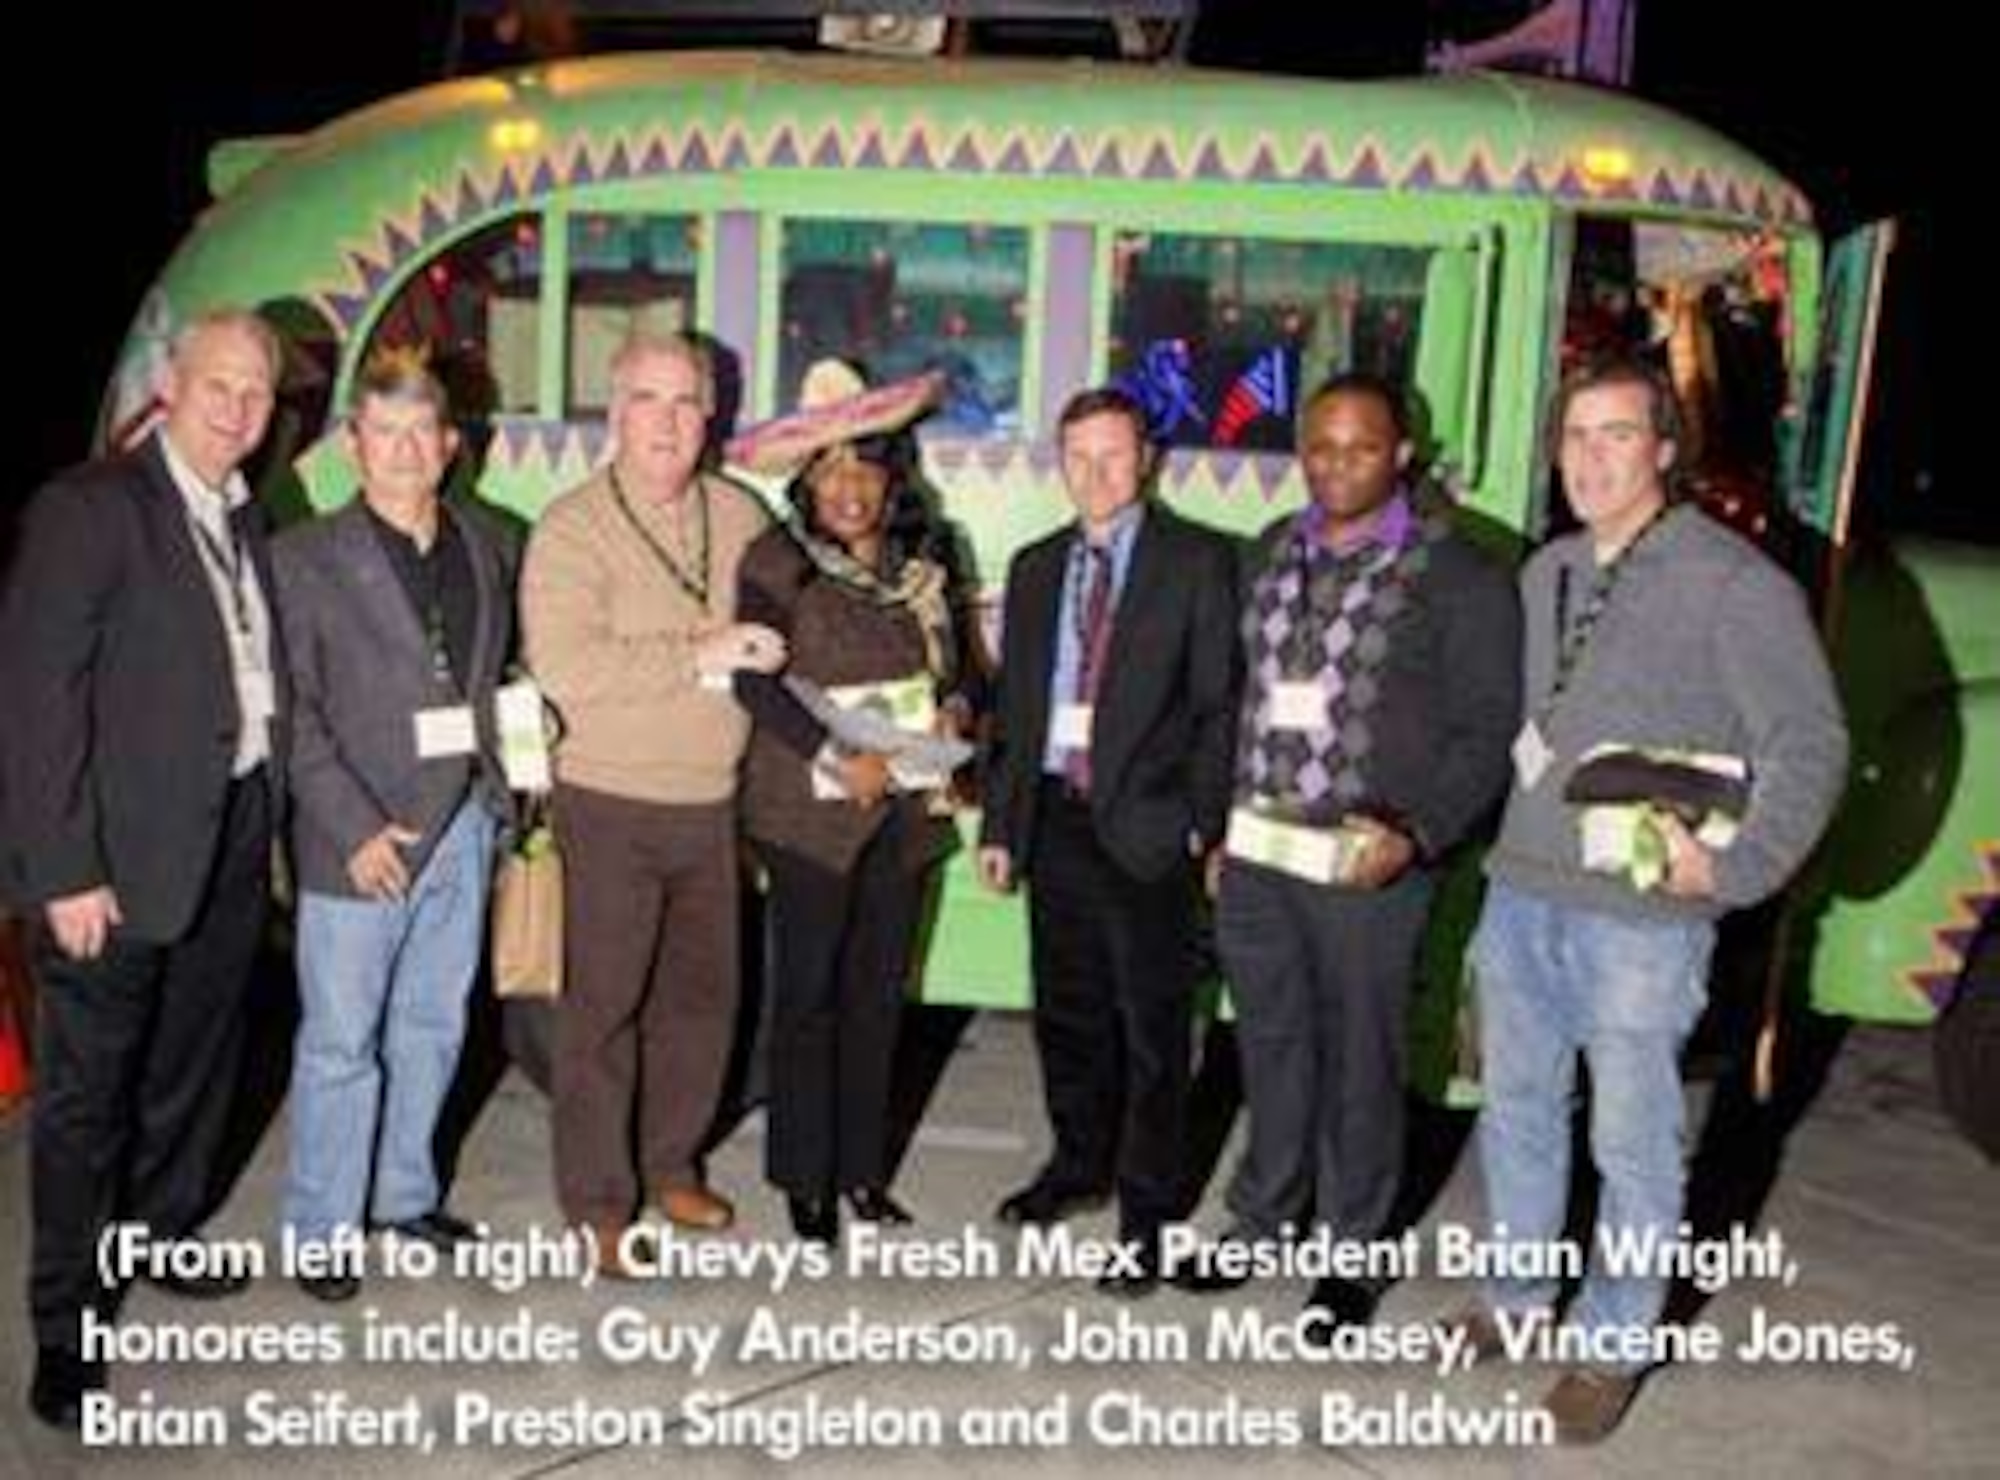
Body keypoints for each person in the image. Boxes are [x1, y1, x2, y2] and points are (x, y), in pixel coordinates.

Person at [1452, 354, 1848, 1442]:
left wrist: (1733, 868)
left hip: (1638, 920)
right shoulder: (1548, 571)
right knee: (1518, 1113)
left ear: (1663, 448)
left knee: (1631, 1143)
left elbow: (1808, 742)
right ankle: (1517, 1296)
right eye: (1573, 436)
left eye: (1614, 434)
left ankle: (1612, 1339)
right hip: (1521, 892)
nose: (1588, 457)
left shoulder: (1735, 583)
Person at [0, 308, 284, 1430]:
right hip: (112, 867)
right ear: (172, 384)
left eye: (257, 391)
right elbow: (37, 701)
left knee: (190, 1072)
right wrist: (63, 869)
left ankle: (161, 1233)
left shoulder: (245, 512)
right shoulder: (92, 508)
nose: (238, 407)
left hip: (226, 845)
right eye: (220, 383)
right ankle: (66, 1328)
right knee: (84, 1105)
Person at [1199, 373, 1521, 1331]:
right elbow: (1241, 702)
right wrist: (1220, 826)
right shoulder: (1267, 554)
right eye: (1322, 446)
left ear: (1403, 455)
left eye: (1362, 447)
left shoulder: (1458, 573)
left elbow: (1490, 729)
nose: (1338, 465)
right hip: (1260, 854)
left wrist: (1417, 833)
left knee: (1362, 1059)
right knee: (1271, 1042)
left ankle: (1352, 1250)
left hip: (1367, 862)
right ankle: (1264, 1217)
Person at [520, 330, 783, 1269]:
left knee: (702, 1005)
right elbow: (567, 666)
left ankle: (671, 1164)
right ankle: (599, 1200)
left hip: (712, 803)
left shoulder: (742, 516)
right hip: (610, 803)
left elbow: (789, 630)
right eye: (647, 401)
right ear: (614, 410)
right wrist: (699, 654)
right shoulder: (573, 527)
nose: (667, 423)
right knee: (603, 1013)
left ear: (709, 417)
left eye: (686, 404)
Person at [977, 386, 1239, 1295]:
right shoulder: (1037, 565)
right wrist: (1002, 826)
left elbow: (1219, 710)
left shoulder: (1201, 562)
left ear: (1148, 461)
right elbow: (1015, 712)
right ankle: (1079, 1167)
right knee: (1069, 1015)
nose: (1095, 473)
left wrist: (1199, 824)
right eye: (1078, 455)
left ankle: (1147, 1216)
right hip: (1055, 821)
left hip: (1149, 835)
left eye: (1113, 455)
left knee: (1156, 1036)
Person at [271, 349, 517, 1301]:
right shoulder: (302, 560)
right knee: (340, 1042)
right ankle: (322, 1227)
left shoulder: (486, 543)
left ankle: (404, 1193)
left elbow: (492, 679)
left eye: (423, 431)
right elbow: (289, 710)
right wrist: (352, 825)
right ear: (355, 445)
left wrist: (509, 788)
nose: (406, 450)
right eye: (386, 432)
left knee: (433, 1025)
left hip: (462, 825)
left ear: (451, 444)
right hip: (358, 841)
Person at [727, 359, 977, 1245]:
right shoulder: (776, 560)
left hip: (904, 819)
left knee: (877, 996)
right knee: (807, 1001)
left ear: (891, 473)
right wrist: (839, 752)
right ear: (805, 479)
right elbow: (753, 685)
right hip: (808, 813)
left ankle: (864, 1171)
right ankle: (805, 1179)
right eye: (829, 469)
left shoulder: (930, 560)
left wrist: (955, 710)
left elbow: (961, 672)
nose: (849, 488)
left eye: (865, 467)